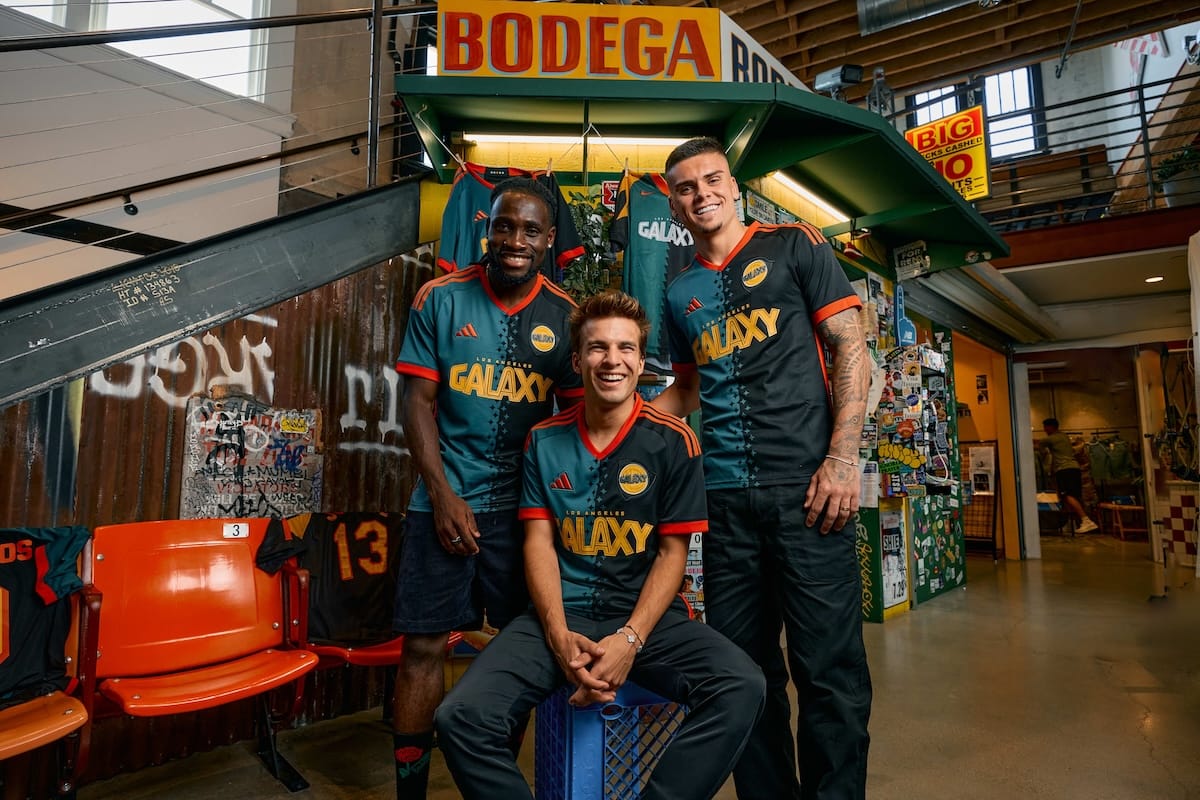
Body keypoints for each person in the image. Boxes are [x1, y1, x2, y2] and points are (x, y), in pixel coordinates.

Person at [435, 290, 766, 800]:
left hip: (644, 618)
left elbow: (672, 554)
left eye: (625, 348)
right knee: (460, 717)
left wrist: (629, 641)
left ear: (641, 362)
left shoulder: (674, 440)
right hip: (559, 616)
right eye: (598, 348)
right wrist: (557, 635)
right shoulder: (544, 439)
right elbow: (540, 545)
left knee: (743, 685)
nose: (613, 360)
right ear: (577, 361)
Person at [652, 137, 872, 799]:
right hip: (724, 506)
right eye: (686, 187)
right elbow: (688, 390)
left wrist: (843, 459)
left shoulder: (794, 245)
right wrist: (618, 425)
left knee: (828, 673)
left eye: (713, 178)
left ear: (734, 185)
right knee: (744, 677)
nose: (702, 193)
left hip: (810, 493)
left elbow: (851, 347)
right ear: (674, 204)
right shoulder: (679, 290)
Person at [390, 177, 582, 799]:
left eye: (530, 230)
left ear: (549, 240)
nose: (514, 240)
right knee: (423, 648)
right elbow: (415, 403)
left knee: (519, 648)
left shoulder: (567, 316)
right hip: (441, 502)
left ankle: (491, 784)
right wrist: (443, 495)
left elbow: (575, 423)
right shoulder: (439, 298)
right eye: (504, 226)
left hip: (524, 515)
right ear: (486, 230)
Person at [1041, 418, 1098, 533]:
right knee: (1070, 497)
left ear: (1051, 427)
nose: (1044, 430)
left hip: (1064, 470)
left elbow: (1037, 444)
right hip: (1073, 469)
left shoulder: (1052, 438)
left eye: (1045, 427)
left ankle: (1086, 520)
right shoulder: (1064, 436)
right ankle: (1072, 523)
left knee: (1067, 496)